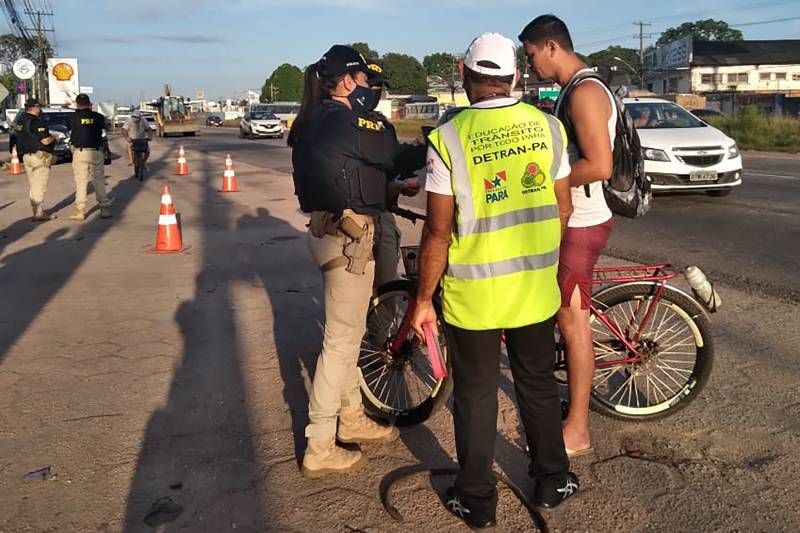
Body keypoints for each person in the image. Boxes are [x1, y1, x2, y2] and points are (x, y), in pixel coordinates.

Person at [410, 33, 578, 529]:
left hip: (474, 296)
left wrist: (423, 299)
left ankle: (477, 501)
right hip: (533, 290)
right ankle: (552, 481)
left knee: (476, 395)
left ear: (464, 76)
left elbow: (438, 230)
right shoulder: (548, 128)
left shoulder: (449, 137)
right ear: (515, 78)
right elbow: (563, 207)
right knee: (538, 385)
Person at [288, 45, 407, 479]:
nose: (368, 87)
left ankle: (352, 416)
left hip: (329, 233)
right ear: (345, 82)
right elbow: (392, 154)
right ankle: (320, 443)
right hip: (347, 240)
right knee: (340, 343)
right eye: (361, 79)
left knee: (349, 334)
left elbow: (354, 169)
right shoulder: (343, 120)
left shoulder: (312, 119)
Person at [520, 14, 616, 458]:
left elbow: (599, 165)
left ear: (551, 47)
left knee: (572, 322)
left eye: (531, 55)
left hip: (583, 221)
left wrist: (547, 185)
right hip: (572, 218)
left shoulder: (585, 92)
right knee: (564, 316)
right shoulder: (571, 90)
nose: (530, 64)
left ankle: (577, 428)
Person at [364, 60, 425, 289]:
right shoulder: (345, 126)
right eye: (370, 85)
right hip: (356, 217)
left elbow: (392, 167)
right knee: (357, 293)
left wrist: (405, 185)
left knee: (387, 285)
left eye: (378, 87)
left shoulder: (384, 126)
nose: (375, 91)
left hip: (384, 214)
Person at [68, 93, 112, 220]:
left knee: (81, 182)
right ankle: (104, 208)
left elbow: (70, 129)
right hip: (96, 152)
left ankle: (80, 210)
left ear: (77, 104)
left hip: (80, 152)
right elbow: (107, 127)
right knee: (99, 180)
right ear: (89, 104)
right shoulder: (98, 117)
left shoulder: (73, 117)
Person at [14, 98, 59, 221]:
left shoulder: (21, 121)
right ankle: (39, 213)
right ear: (34, 108)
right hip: (39, 157)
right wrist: (54, 137)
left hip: (26, 157)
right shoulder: (36, 122)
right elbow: (45, 141)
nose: (40, 109)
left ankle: (36, 210)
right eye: (39, 107)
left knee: (33, 185)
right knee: (39, 185)